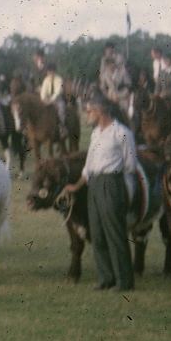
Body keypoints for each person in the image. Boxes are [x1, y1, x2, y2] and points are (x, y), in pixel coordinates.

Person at [61, 95, 136, 291]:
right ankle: (106, 277)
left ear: (99, 112)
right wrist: (77, 186)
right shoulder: (95, 134)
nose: (86, 115)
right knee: (97, 233)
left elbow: (130, 165)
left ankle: (124, 281)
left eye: (89, 111)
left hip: (112, 184)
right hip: (93, 186)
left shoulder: (122, 133)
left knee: (115, 233)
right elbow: (89, 165)